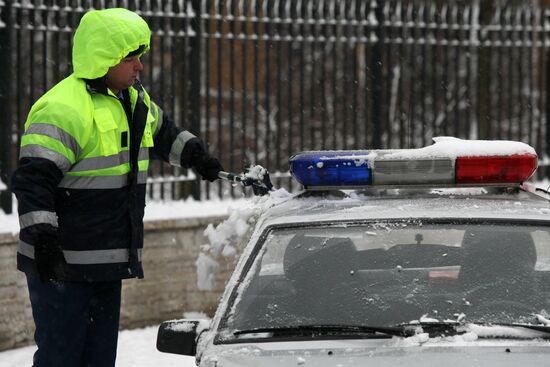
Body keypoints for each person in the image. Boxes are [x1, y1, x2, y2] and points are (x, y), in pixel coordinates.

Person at [11, 8, 223, 367]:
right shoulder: (63, 109)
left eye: (140, 56)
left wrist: (197, 156)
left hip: (106, 262)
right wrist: (43, 239)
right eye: (130, 57)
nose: (139, 66)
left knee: (98, 360)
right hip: (62, 264)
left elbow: (163, 133)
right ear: (103, 58)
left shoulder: (133, 101)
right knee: (60, 358)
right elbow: (33, 181)